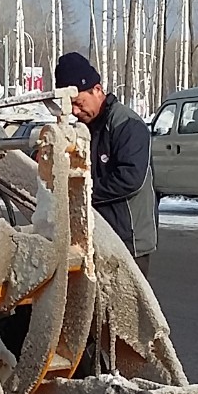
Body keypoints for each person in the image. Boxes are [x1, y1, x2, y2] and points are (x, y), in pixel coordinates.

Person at [54, 51, 157, 273]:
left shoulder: (127, 125)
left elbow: (130, 179)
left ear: (97, 90)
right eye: (70, 106)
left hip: (128, 240)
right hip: (98, 238)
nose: (75, 111)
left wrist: (82, 192)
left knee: (125, 307)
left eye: (79, 103)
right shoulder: (86, 129)